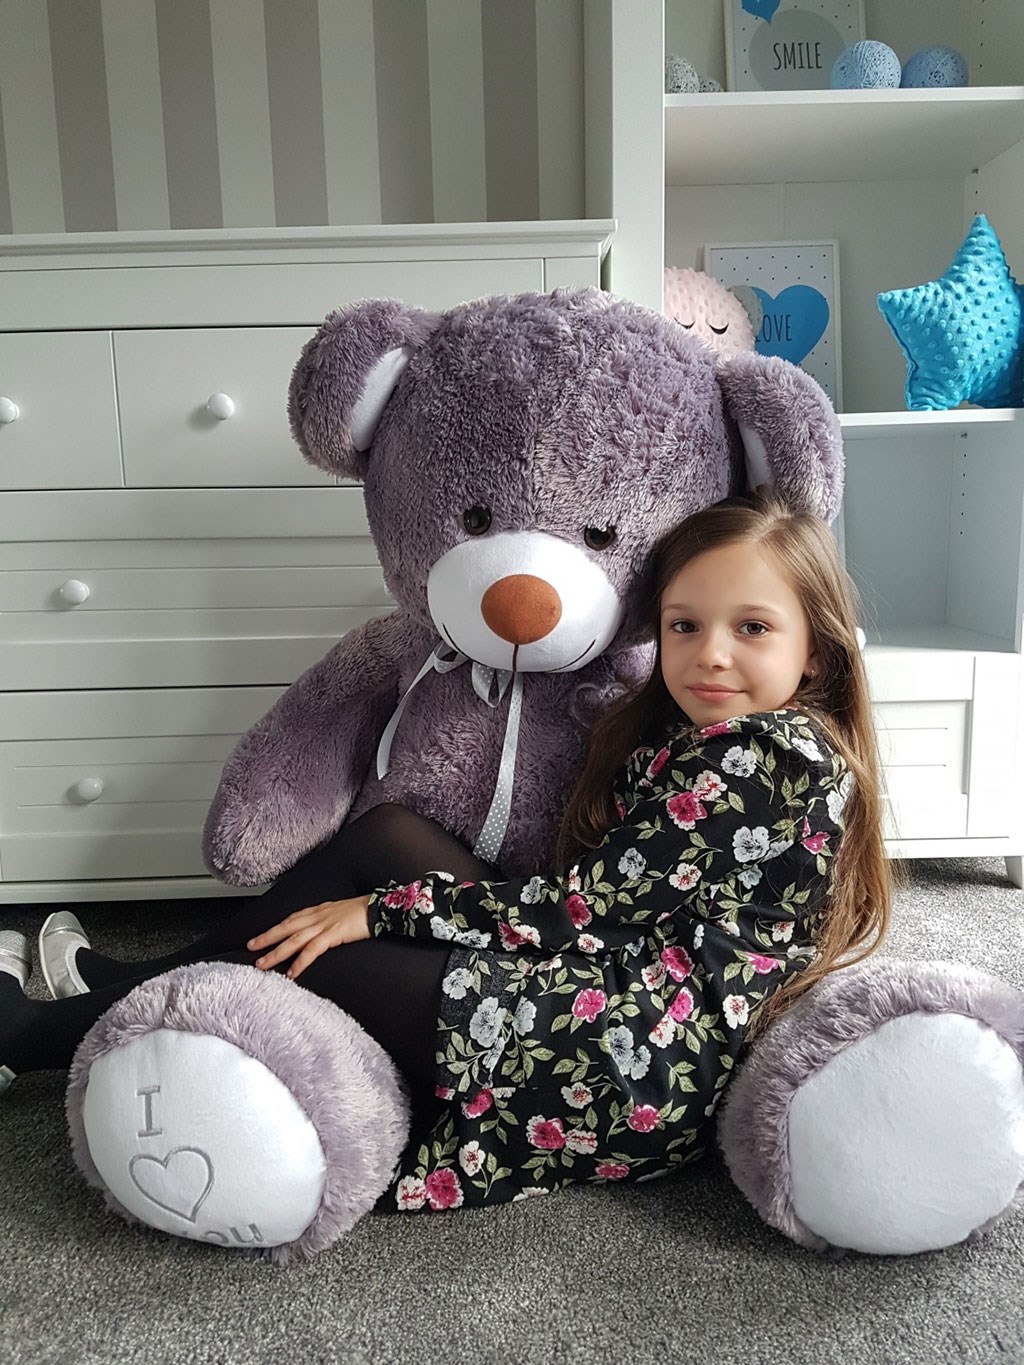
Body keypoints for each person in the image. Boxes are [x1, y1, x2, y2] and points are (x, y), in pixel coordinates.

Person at [0, 493, 891, 1211]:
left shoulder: (759, 755)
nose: (711, 655)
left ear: (815, 651)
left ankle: (39, 1034)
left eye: (753, 628)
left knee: (318, 953)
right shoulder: (724, 736)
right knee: (382, 835)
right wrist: (387, 897)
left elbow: (582, 910)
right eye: (685, 626)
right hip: (620, 981)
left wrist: (382, 913)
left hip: (638, 1055)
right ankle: (121, 984)